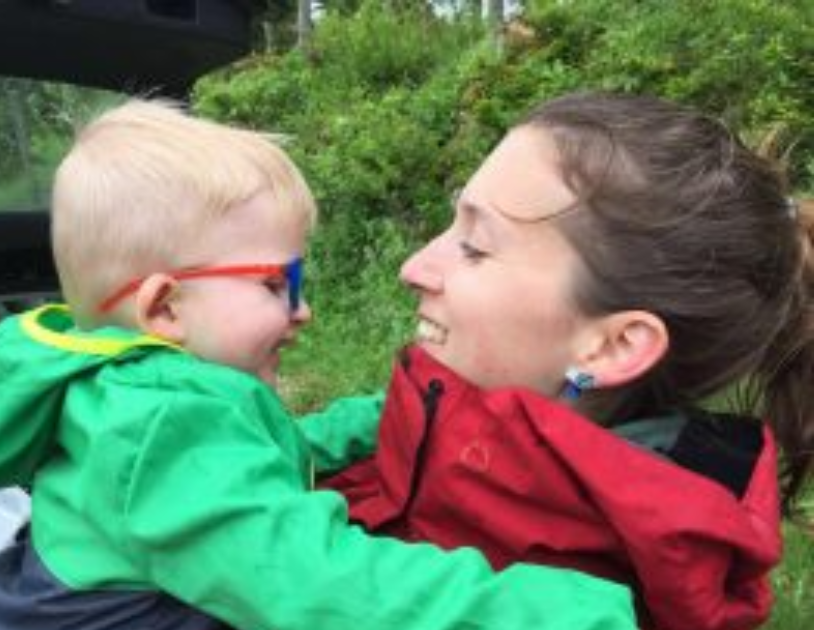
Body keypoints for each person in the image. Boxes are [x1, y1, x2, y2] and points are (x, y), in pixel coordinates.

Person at [0, 99, 637, 630]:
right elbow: (319, 582)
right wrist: (550, 608)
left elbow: (271, 447)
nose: (302, 311)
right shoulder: (159, 423)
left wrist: (383, 415)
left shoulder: (128, 386)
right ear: (165, 308)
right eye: (278, 285)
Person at [320, 91, 814, 630]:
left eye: (475, 247)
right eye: (452, 225)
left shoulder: (572, 603)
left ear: (613, 346)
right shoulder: (448, 431)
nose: (413, 267)